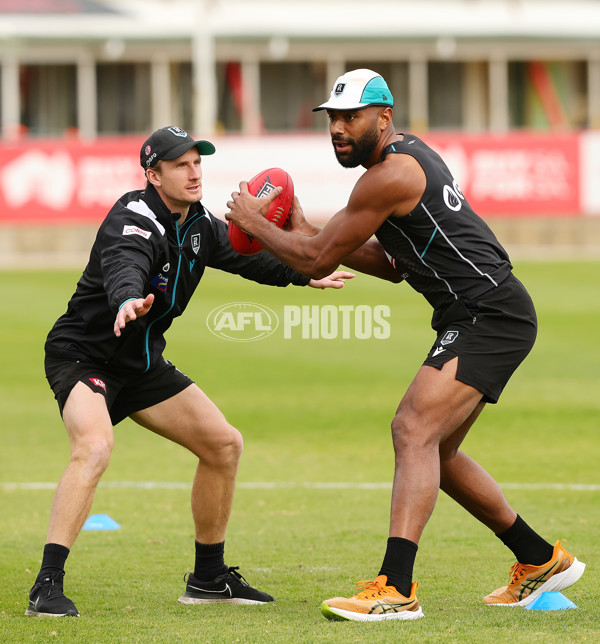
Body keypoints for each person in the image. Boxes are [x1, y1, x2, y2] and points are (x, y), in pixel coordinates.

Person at [225, 69, 586, 622]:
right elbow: (391, 266)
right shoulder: (400, 163)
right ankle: (539, 559)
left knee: (411, 428)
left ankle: (396, 588)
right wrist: (300, 228)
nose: (339, 129)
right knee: (436, 451)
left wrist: (257, 223)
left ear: (384, 117)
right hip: (485, 311)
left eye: (351, 118)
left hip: (488, 313)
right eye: (333, 119)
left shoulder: (387, 177)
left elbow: (319, 259)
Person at [26, 125, 367, 618]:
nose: (194, 172)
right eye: (181, 165)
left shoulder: (199, 224)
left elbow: (243, 260)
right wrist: (125, 298)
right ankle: (47, 585)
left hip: (140, 364)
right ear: (153, 174)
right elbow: (126, 262)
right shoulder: (134, 217)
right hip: (84, 356)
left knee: (223, 444)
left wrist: (304, 273)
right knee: (95, 446)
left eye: (198, 162)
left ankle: (208, 578)